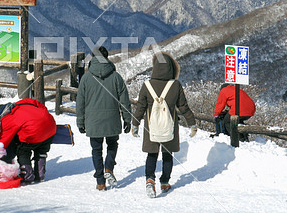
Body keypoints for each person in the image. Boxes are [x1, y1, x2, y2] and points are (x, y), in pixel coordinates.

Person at [132, 51, 197, 198]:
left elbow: (140, 107)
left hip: (151, 126)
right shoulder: (175, 85)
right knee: (167, 155)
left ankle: (150, 179)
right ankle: (165, 182)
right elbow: (183, 107)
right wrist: (192, 123)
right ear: (171, 68)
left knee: (152, 154)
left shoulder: (146, 85)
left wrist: (135, 124)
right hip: (170, 127)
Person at [76, 46, 132, 191]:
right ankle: (109, 168)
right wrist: (127, 119)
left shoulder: (86, 78)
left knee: (96, 150)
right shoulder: (116, 77)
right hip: (112, 119)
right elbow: (124, 101)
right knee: (112, 145)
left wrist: (80, 122)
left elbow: (80, 103)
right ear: (107, 58)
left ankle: (100, 182)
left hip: (93, 121)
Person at [0, 98, 57, 184]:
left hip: (33, 131)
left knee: (23, 150)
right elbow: (39, 104)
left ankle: (27, 175)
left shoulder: (7, 119)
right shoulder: (21, 102)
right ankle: (40, 175)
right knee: (41, 149)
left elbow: (1, 143)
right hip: (51, 126)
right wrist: (42, 117)